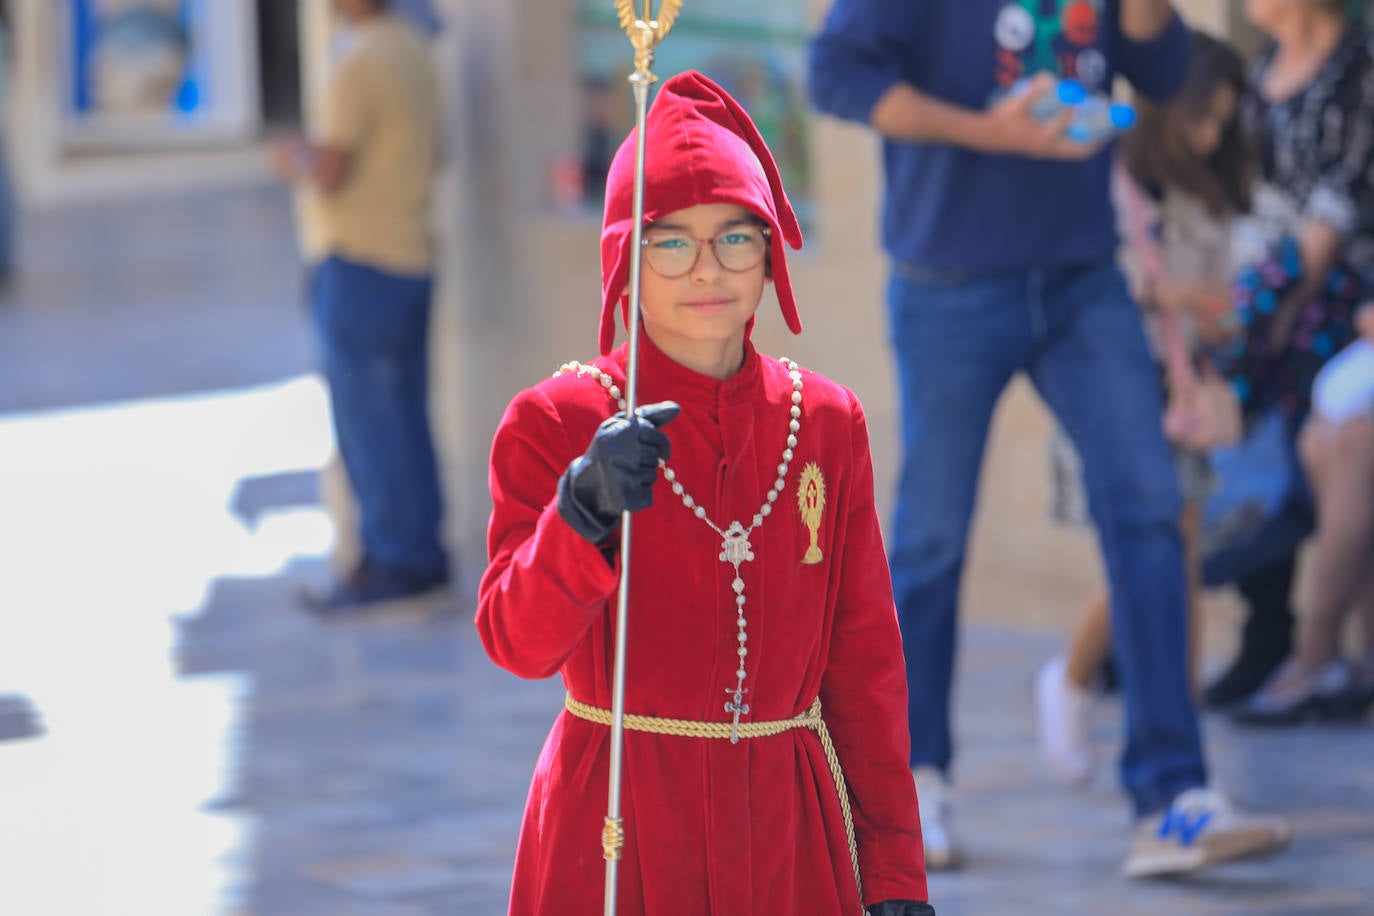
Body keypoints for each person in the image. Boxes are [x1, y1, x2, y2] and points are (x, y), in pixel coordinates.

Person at [810, 0, 1291, 877]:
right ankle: (910, 790)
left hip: (1082, 278)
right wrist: (982, 133)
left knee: (1150, 506)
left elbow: (1162, 69)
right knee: (931, 538)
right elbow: (836, 78)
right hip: (947, 279)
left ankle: (1173, 797)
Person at [476, 71, 934, 916]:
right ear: (623, 254)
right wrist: (580, 513)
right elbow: (515, 643)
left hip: (789, 827)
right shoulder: (557, 418)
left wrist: (895, 872)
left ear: (769, 252)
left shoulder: (826, 422)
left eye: (735, 237)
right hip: (617, 822)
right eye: (671, 241)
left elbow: (866, 667)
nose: (707, 270)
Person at [1034, 31, 1253, 787]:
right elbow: (1078, 287)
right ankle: (1074, 677)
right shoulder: (1109, 176)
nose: (1212, 134)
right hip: (1118, 388)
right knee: (1149, 556)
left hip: (1184, 392)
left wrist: (1213, 313)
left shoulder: (1209, 190)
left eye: (1225, 121)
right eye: (1204, 116)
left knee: (1172, 559)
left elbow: (1216, 283)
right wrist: (1171, 294)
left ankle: (1166, 728)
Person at [273, 0, 450, 611]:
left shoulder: (363, 56)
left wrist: (290, 155)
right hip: (406, 251)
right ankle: (413, 557)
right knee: (400, 416)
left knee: (372, 424)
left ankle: (397, 562)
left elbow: (328, 168)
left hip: (361, 259)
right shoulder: (412, 46)